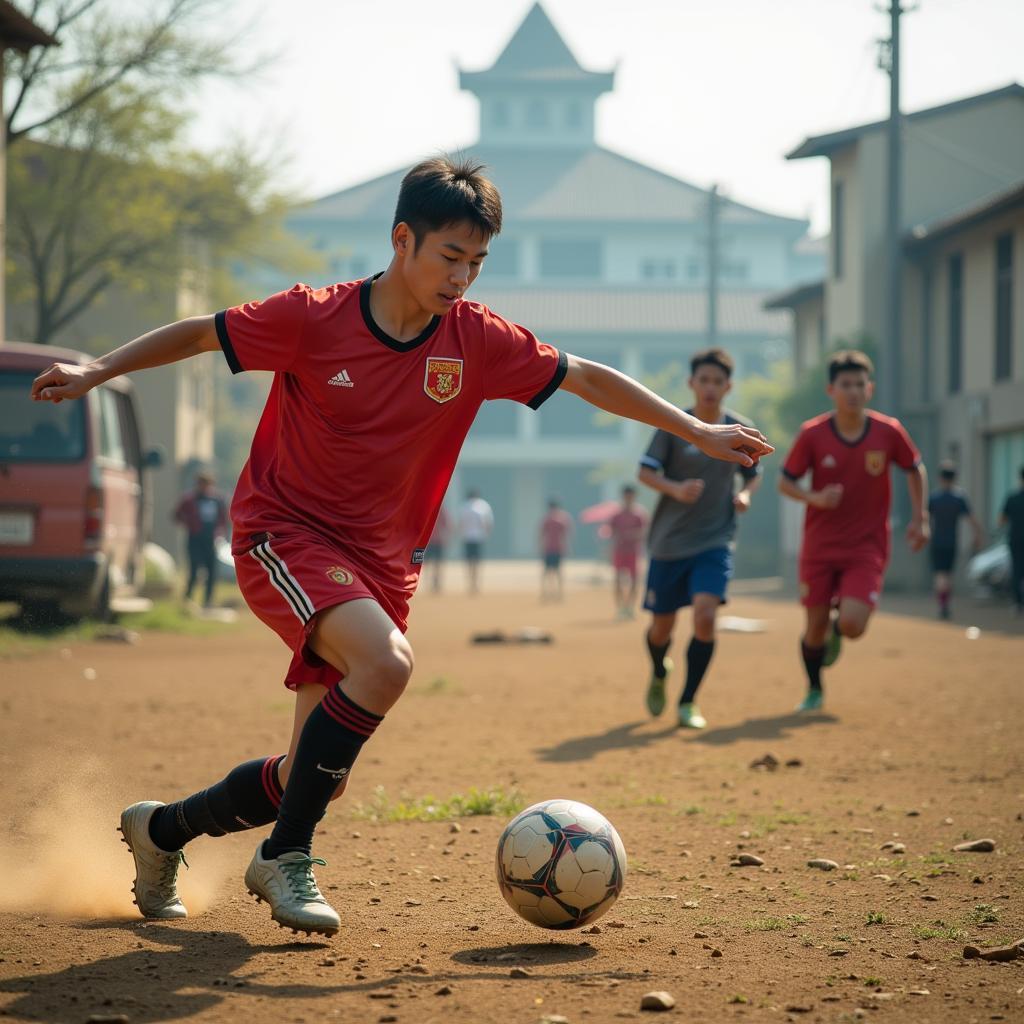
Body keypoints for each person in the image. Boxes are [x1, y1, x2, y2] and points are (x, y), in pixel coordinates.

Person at [31, 155, 771, 937]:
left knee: (310, 776)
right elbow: (205, 333)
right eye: (450, 257)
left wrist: (693, 429)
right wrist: (101, 368)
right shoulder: (315, 316)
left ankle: (161, 831)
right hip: (284, 535)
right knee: (387, 666)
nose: (463, 277)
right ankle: (286, 857)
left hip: (381, 566)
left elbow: (582, 376)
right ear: (402, 240)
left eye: (478, 262)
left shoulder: (476, 340)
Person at [778, 350, 928, 713]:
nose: (853, 391)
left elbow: (914, 468)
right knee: (813, 629)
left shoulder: (888, 431)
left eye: (860, 384)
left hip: (866, 545)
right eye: (846, 384)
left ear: (870, 388)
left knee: (852, 625)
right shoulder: (812, 434)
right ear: (831, 389)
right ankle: (814, 689)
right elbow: (785, 483)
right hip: (819, 546)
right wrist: (815, 497)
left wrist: (920, 518)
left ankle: (838, 627)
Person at [638, 348, 761, 729]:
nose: (710, 388)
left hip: (714, 539)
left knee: (706, 618)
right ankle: (660, 670)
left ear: (728, 386)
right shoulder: (674, 425)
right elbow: (645, 472)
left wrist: (744, 494)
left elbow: (754, 472)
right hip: (669, 543)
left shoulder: (739, 429)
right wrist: (675, 489)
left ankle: (689, 701)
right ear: (692, 384)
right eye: (703, 380)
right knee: (661, 629)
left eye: (717, 381)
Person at [927, 461, 982, 619]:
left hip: (937, 541)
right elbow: (972, 519)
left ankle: (942, 604)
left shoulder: (934, 497)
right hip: (952, 541)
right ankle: (946, 604)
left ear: (940, 478)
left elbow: (925, 519)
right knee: (948, 574)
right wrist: (978, 534)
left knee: (939, 574)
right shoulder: (959, 497)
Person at [173, 469, 229, 608]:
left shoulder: (217, 500)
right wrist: (190, 525)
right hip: (195, 539)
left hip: (211, 540)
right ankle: (188, 600)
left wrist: (220, 533)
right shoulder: (189, 499)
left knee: (211, 571)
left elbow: (224, 518)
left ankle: (208, 601)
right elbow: (177, 515)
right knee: (193, 570)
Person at [609, 486, 648, 619]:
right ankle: (620, 608)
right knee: (618, 580)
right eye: (626, 495)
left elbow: (644, 531)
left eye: (630, 495)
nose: (628, 498)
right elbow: (611, 531)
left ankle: (630, 607)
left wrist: (633, 535)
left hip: (634, 552)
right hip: (619, 551)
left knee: (634, 581)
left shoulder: (639, 514)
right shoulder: (616, 514)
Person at [458, 489, 493, 594]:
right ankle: (476, 583)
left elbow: (460, 523)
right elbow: (488, 523)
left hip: (467, 537)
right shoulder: (483, 506)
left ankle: (471, 583)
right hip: (478, 537)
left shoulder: (464, 506)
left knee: (469, 562)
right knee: (477, 562)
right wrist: (487, 534)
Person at [1000, 466, 1024, 614]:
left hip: (1015, 538)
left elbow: (1001, 520)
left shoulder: (1012, 498)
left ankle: (1017, 603)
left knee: (1016, 570)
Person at [539, 498, 573, 602]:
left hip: (555, 549)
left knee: (555, 572)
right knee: (549, 572)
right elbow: (541, 534)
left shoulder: (558, 519)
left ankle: (556, 593)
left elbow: (566, 535)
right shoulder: (550, 520)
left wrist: (567, 546)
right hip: (551, 549)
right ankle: (549, 593)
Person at [424, 504, 451, 593]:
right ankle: (433, 583)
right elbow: (447, 525)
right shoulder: (441, 510)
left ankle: (432, 583)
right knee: (436, 564)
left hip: (430, 541)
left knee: (432, 564)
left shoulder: (428, 509)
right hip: (434, 541)